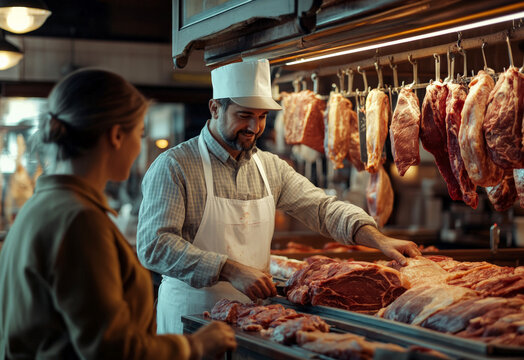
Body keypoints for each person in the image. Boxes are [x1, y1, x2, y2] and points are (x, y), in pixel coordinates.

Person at [136, 59, 422, 334]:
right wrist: (229, 269)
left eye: (261, 117)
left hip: (250, 318)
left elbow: (322, 209)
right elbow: (154, 245)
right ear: (214, 108)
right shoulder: (175, 166)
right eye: (244, 115)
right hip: (191, 317)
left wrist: (379, 239)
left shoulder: (269, 167)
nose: (254, 128)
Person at [0, 68, 236, 360]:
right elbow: (114, 350)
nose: (139, 147)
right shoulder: (79, 221)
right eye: (140, 134)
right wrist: (195, 345)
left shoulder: (41, 204)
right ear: (116, 136)